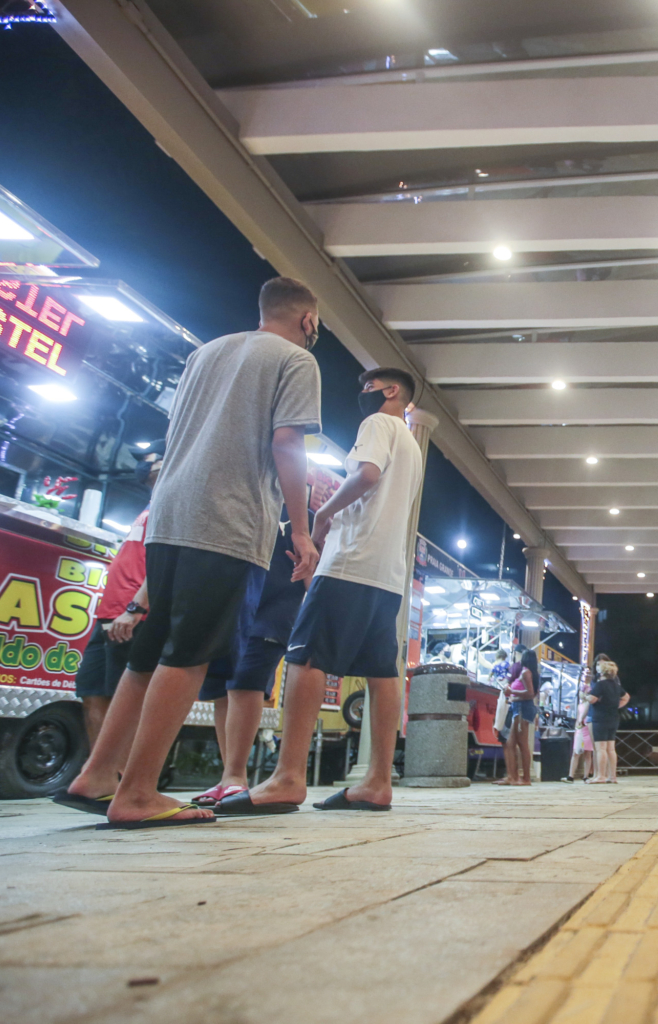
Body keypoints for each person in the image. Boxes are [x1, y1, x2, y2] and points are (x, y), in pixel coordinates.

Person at [62, 277, 322, 828]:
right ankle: (137, 794)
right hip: (226, 521)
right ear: (308, 320)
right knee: (190, 654)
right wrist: (300, 530)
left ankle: (98, 774)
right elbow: (287, 442)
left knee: (147, 654)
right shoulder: (297, 361)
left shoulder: (206, 352)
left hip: (170, 515)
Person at [226, 365, 424, 815]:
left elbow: (367, 474)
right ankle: (376, 781)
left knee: (306, 656)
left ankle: (288, 777)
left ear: (391, 391)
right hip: (387, 573)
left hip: (350, 560)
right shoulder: (412, 445)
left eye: (369, 387)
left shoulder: (378, 423)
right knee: (382, 671)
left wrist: (323, 514)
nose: (363, 394)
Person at [193, 518, 308, 807]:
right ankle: (230, 775)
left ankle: (234, 777)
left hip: (274, 606)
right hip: (234, 595)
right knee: (222, 684)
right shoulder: (240, 506)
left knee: (245, 681)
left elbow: (313, 567)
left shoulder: (299, 516)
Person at [69, 458, 159, 751]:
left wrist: (135, 608)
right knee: (92, 691)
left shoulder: (173, 504)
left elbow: (163, 562)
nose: (144, 465)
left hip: (134, 615)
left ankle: (124, 779)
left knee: (127, 700)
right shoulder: (147, 507)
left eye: (151, 459)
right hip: (108, 612)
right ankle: (100, 776)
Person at [498, 648, 538, 786]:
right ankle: (514, 776)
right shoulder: (530, 673)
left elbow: (530, 693)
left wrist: (511, 691)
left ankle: (525, 778)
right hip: (519, 708)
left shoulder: (526, 673)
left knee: (522, 743)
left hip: (521, 710)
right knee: (511, 743)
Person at [586, 659, 628, 784]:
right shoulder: (617, 686)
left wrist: (586, 696)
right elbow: (626, 697)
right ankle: (612, 776)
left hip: (600, 718)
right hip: (614, 717)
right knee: (611, 748)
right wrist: (615, 705)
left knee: (600, 748)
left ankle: (601, 775)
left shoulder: (600, 685)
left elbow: (593, 699)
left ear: (602, 672)